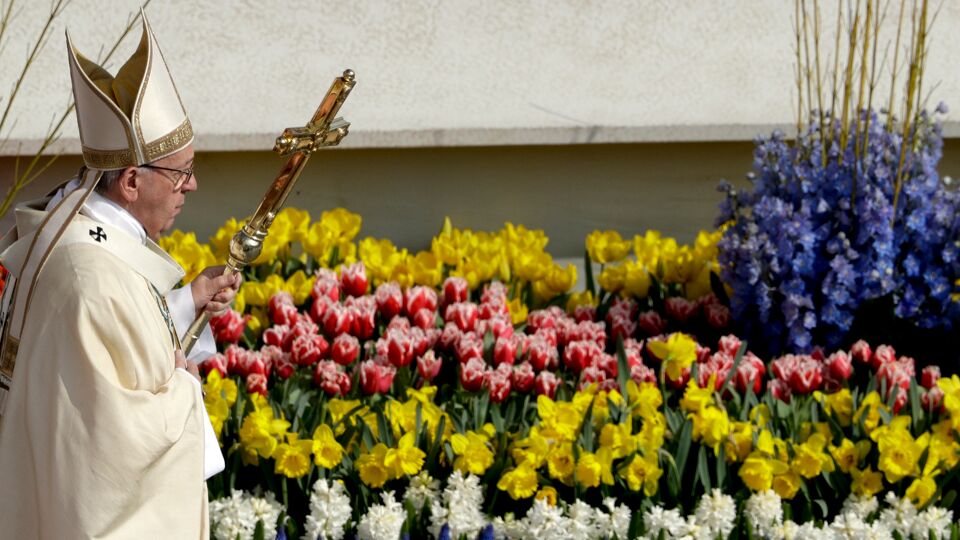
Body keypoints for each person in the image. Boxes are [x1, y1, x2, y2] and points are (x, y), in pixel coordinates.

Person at [0, 13, 235, 537]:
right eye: (181, 172)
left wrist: (186, 301)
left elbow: (101, 355)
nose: (191, 186)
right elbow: (108, 446)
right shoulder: (93, 276)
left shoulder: (68, 226)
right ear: (130, 180)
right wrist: (183, 390)